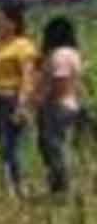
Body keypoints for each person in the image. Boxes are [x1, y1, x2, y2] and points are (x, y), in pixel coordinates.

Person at [0, 5, 39, 197]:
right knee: (0, 143)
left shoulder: (23, 45)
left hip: (11, 97)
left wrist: (22, 104)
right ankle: (6, 185)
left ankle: (18, 184)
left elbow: (28, 77)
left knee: (12, 144)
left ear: (12, 23)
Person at [37, 16, 83, 196]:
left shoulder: (60, 55)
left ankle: (61, 187)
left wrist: (43, 98)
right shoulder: (73, 53)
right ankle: (59, 184)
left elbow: (60, 83)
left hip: (57, 106)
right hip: (70, 104)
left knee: (54, 146)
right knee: (57, 145)